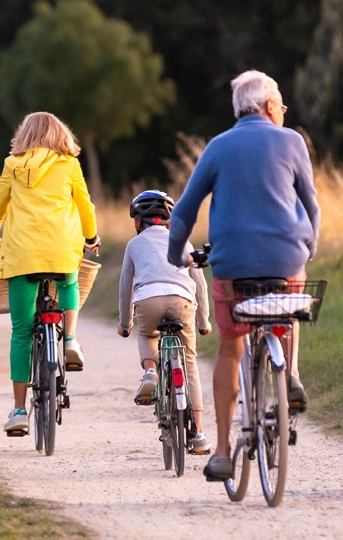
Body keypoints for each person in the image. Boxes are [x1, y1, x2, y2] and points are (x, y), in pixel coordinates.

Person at [166, 71, 319, 482]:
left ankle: (219, 452)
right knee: (291, 291)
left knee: (230, 348)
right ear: (270, 106)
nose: (283, 113)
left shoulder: (218, 146)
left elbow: (183, 212)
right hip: (286, 264)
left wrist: (176, 253)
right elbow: (311, 205)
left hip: (232, 269)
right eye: (282, 106)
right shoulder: (292, 142)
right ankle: (290, 375)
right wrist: (308, 247)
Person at [0, 112, 99, 435]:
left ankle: (20, 410)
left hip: (21, 256)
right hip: (62, 251)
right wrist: (91, 238)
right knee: (70, 280)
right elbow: (85, 206)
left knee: (21, 332)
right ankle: (71, 338)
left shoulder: (12, 165)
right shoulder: (70, 165)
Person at [116, 189, 214, 455]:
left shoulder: (134, 245)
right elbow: (200, 284)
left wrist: (125, 323)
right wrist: (203, 321)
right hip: (183, 300)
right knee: (190, 363)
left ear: (137, 221)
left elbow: (126, 286)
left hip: (149, 301)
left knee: (148, 336)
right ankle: (200, 432)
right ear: (169, 219)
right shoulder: (183, 241)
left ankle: (150, 371)